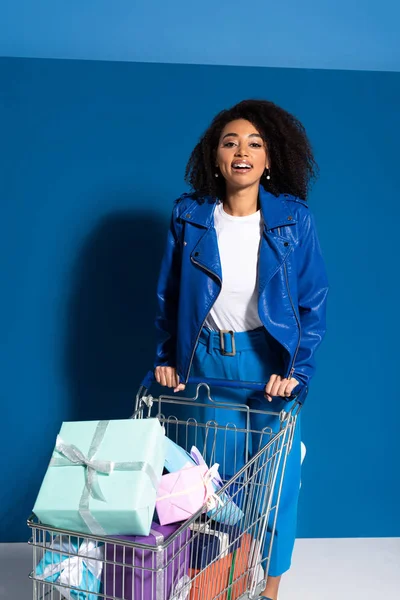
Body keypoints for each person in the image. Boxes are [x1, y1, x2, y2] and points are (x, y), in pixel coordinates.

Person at [153, 99, 329, 600]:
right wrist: (169, 360)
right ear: (215, 157)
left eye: (255, 143)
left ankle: (268, 592)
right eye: (230, 142)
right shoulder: (189, 218)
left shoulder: (294, 221)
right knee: (220, 491)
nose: (242, 151)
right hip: (208, 364)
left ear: (270, 159)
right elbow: (168, 297)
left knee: (275, 487)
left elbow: (313, 301)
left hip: (269, 365)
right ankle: (225, 587)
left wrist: (296, 370)